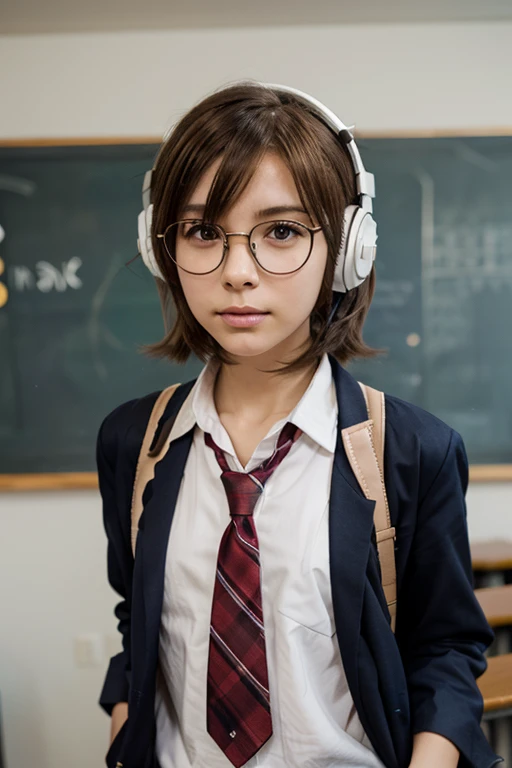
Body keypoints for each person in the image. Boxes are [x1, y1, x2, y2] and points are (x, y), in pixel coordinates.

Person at [96, 81, 501, 768]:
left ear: (348, 249)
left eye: (280, 232)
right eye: (201, 232)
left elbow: (446, 652)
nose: (237, 273)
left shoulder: (411, 450)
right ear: (162, 248)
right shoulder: (133, 443)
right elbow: (136, 626)